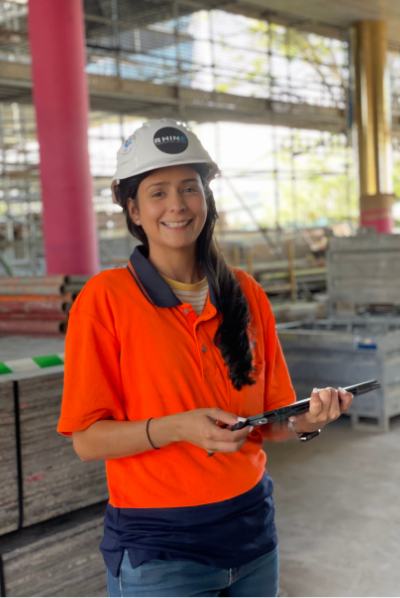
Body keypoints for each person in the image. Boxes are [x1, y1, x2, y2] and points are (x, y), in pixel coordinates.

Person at [57, 119, 353, 598]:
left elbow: (269, 422)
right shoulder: (104, 300)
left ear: (206, 198)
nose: (177, 205)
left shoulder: (246, 294)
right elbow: (87, 440)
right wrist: (176, 427)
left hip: (253, 534)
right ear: (132, 208)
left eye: (189, 188)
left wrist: (310, 419)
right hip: (162, 551)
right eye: (158, 192)